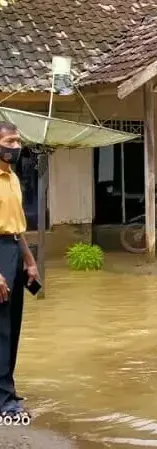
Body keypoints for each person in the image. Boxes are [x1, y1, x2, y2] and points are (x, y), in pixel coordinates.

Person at [0, 121, 38, 419]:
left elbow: (17, 227)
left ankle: (8, 388)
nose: (15, 147)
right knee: (0, 328)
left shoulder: (11, 177)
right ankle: (3, 402)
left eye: (17, 142)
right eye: (10, 141)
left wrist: (29, 261)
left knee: (13, 325)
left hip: (13, 249)